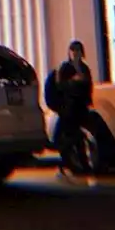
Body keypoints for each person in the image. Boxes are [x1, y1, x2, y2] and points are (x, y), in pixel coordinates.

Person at [45, 40, 94, 177]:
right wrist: (74, 82)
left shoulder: (84, 68)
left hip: (80, 108)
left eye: (78, 51)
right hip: (68, 108)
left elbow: (88, 87)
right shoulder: (65, 68)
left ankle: (81, 164)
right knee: (70, 137)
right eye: (73, 51)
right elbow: (61, 86)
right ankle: (72, 163)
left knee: (78, 137)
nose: (75, 54)